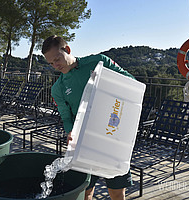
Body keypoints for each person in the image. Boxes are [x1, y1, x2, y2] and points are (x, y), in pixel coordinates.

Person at [42, 35, 134, 200]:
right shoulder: (58, 88)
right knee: (85, 191)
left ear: (67, 50)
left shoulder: (99, 62)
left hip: (112, 136)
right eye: (51, 63)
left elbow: (130, 82)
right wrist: (70, 132)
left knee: (117, 193)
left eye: (57, 59)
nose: (55, 65)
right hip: (84, 142)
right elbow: (66, 117)